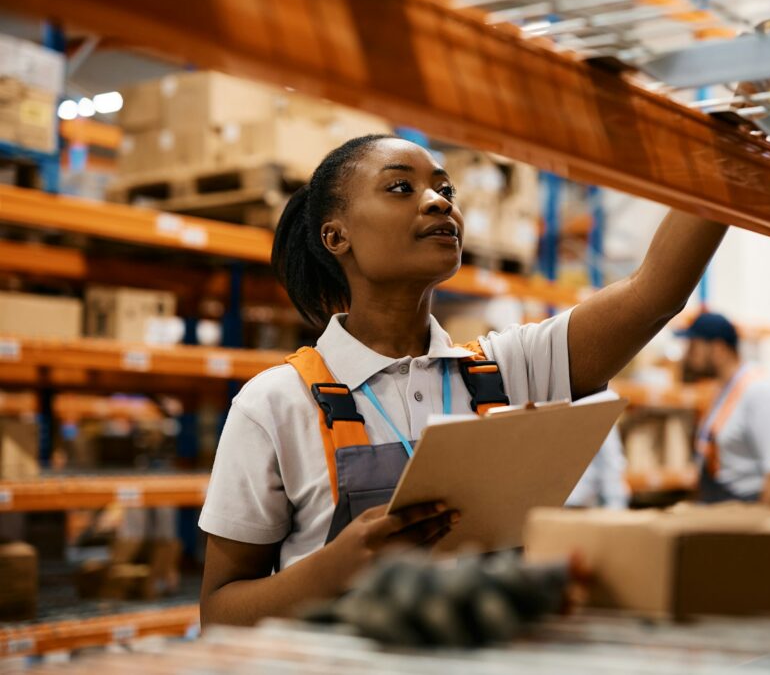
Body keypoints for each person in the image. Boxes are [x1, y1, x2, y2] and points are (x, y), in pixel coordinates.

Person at [198, 134, 726, 626]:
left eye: (445, 188)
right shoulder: (274, 405)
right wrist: (328, 573)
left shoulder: (511, 369)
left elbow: (654, 292)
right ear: (336, 236)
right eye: (401, 187)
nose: (438, 201)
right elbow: (219, 610)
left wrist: (726, 158)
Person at [681, 312, 770, 506]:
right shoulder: (723, 393)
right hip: (725, 511)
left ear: (718, 349)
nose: (687, 355)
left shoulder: (761, 393)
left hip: (750, 513)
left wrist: (757, 531)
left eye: (694, 346)